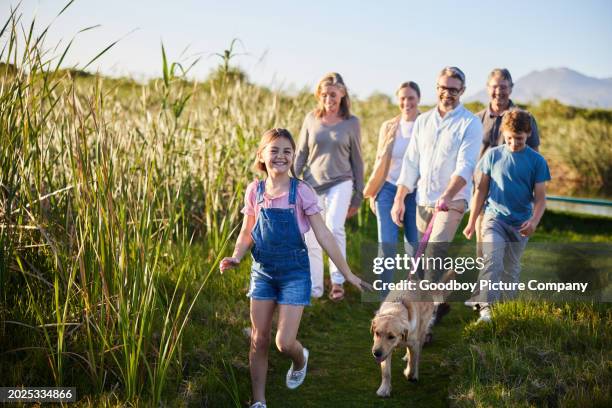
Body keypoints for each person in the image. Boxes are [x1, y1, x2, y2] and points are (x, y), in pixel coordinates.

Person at [220, 128, 370, 408]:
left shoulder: (301, 191)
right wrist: (237, 257)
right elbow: (246, 232)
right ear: (262, 156)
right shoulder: (255, 190)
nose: (280, 156)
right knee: (258, 338)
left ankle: (300, 358)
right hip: (262, 271)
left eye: (287, 151)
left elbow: (324, 235)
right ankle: (259, 401)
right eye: (274, 150)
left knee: (284, 343)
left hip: (294, 274)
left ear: (293, 157)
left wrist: (347, 273)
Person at [391, 66, 482, 331]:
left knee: (433, 254)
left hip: (452, 202)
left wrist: (448, 194)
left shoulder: (469, 122)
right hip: (423, 200)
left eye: (454, 89)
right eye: (443, 88)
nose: (448, 94)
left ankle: (425, 326)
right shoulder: (423, 121)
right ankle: (439, 303)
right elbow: (411, 163)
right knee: (422, 264)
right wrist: (399, 198)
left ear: (462, 91)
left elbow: (465, 166)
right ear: (437, 88)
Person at [463, 110, 550, 323]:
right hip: (495, 219)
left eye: (518, 138)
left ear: (528, 134)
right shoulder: (493, 156)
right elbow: (481, 191)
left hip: (520, 223)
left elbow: (540, 199)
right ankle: (486, 310)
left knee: (511, 270)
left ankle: (506, 310)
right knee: (492, 261)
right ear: (504, 133)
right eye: (509, 138)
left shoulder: (537, 161)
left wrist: (534, 221)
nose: (513, 143)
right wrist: (472, 220)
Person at [295, 72, 365, 301]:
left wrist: (358, 195)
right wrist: (293, 181)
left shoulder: (351, 123)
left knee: (334, 228)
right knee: (312, 236)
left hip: (341, 182)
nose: (328, 99)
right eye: (324, 94)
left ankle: (338, 282)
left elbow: (357, 160)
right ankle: (315, 288)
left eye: (333, 95)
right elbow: (302, 152)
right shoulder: (310, 119)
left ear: (342, 94)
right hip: (312, 184)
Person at [473, 68, 541, 259]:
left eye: (503, 87)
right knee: (484, 253)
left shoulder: (525, 119)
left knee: (509, 259)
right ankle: (484, 289)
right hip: (483, 195)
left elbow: (534, 156)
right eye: (495, 87)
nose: (499, 91)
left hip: (513, 201)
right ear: (487, 88)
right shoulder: (477, 119)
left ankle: (504, 288)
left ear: (511, 88)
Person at [363, 81, 421, 293]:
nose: (406, 102)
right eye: (403, 98)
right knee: (386, 247)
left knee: (414, 247)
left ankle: (415, 299)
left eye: (411, 98)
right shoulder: (388, 126)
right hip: (387, 189)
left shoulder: (426, 125)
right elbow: (380, 161)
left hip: (415, 192)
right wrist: (374, 191)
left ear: (418, 99)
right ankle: (384, 300)